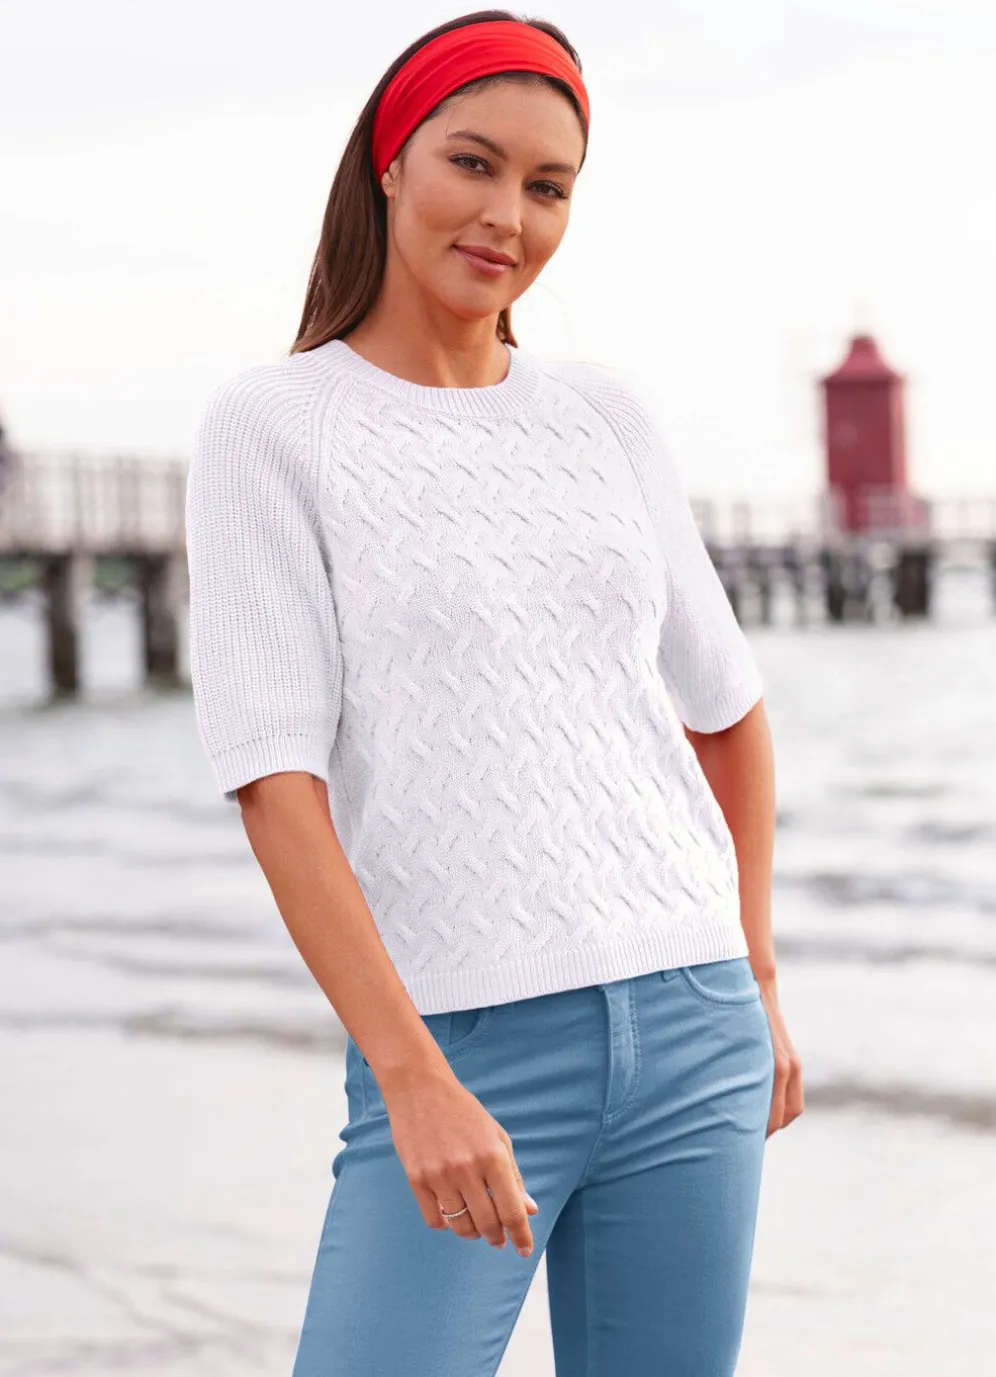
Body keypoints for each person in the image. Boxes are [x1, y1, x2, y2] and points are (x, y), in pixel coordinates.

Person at [184, 11, 804, 1375]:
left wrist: (756, 975)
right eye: (473, 162)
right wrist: (410, 1075)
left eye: (548, 185)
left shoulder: (604, 416)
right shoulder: (272, 427)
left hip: (692, 1014)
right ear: (391, 162)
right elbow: (275, 781)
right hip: (460, 1037)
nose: (507, 216)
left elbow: (727, 709)